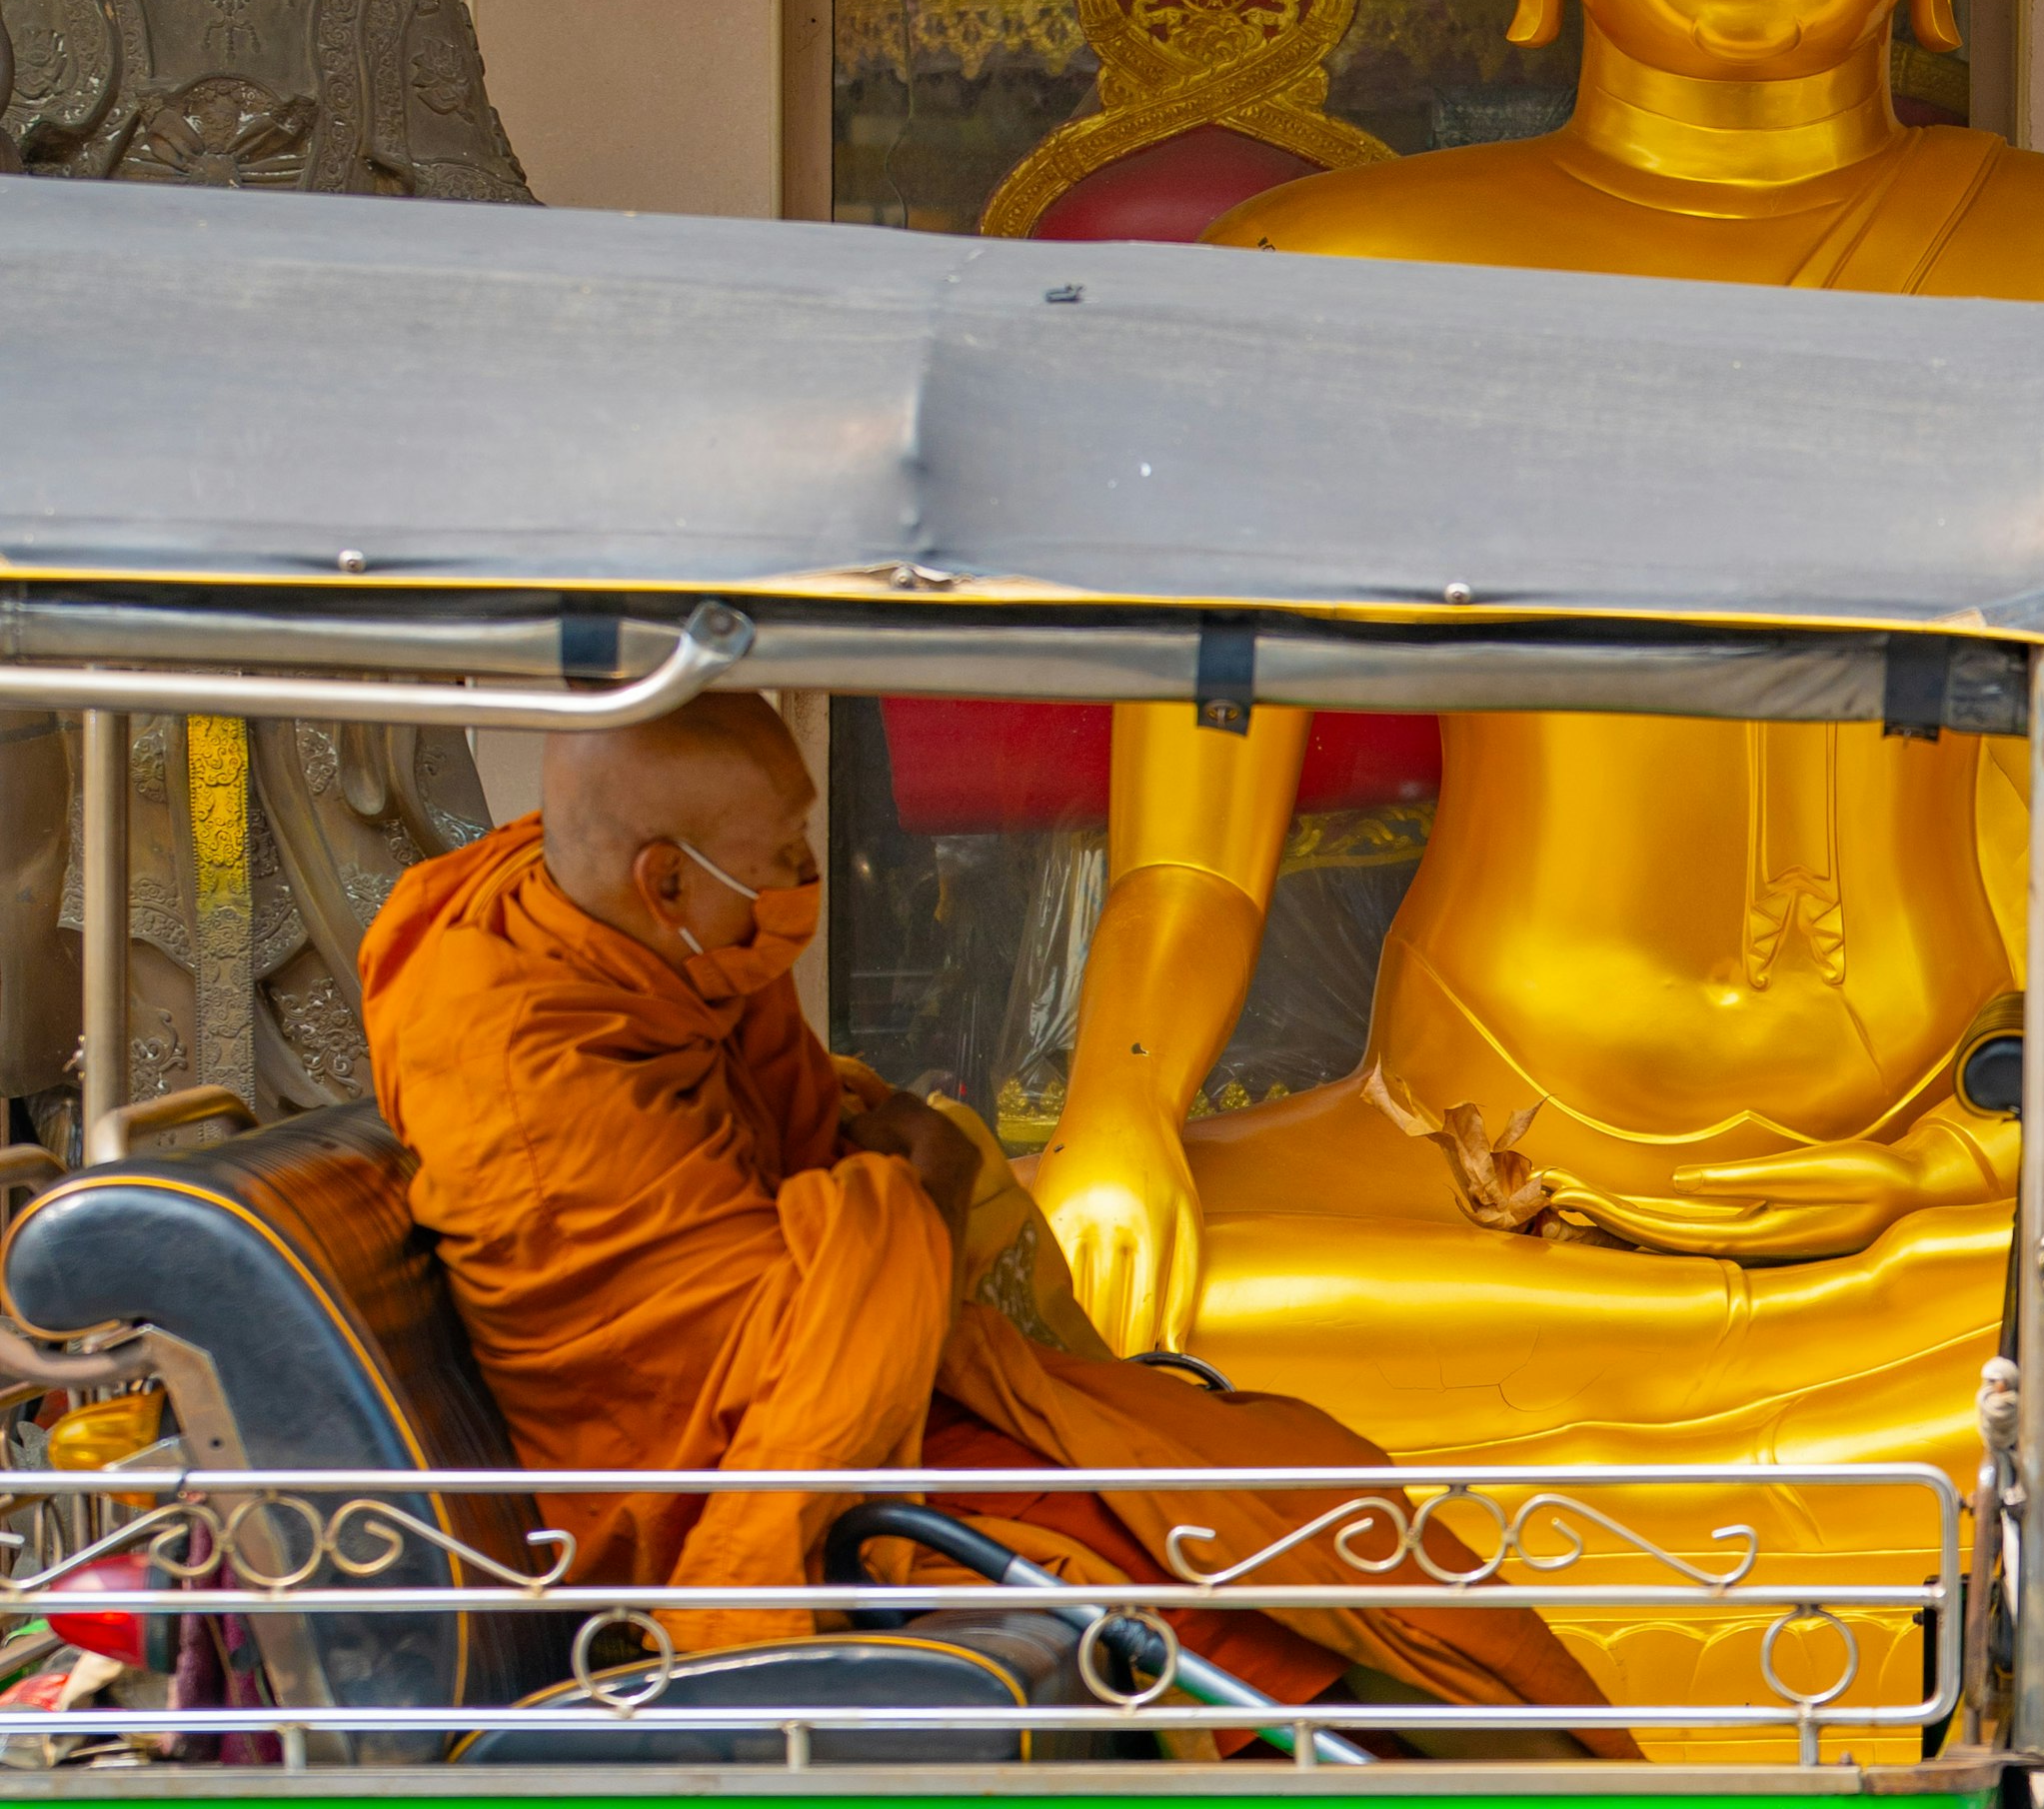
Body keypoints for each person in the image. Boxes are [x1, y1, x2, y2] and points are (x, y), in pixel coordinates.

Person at [355, 694, 1619, 1744]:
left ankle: (1482, 1767)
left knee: (1284, 1460)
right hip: (758, 1475)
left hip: (853, 1394)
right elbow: (755, 1360)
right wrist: (904, 1189)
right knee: (1164, 1536)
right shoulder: (523, 1064)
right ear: (665, 880)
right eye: (789, 862)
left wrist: (905, 1160)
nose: (810, 882)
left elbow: (800, 1183)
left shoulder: (655, 941)